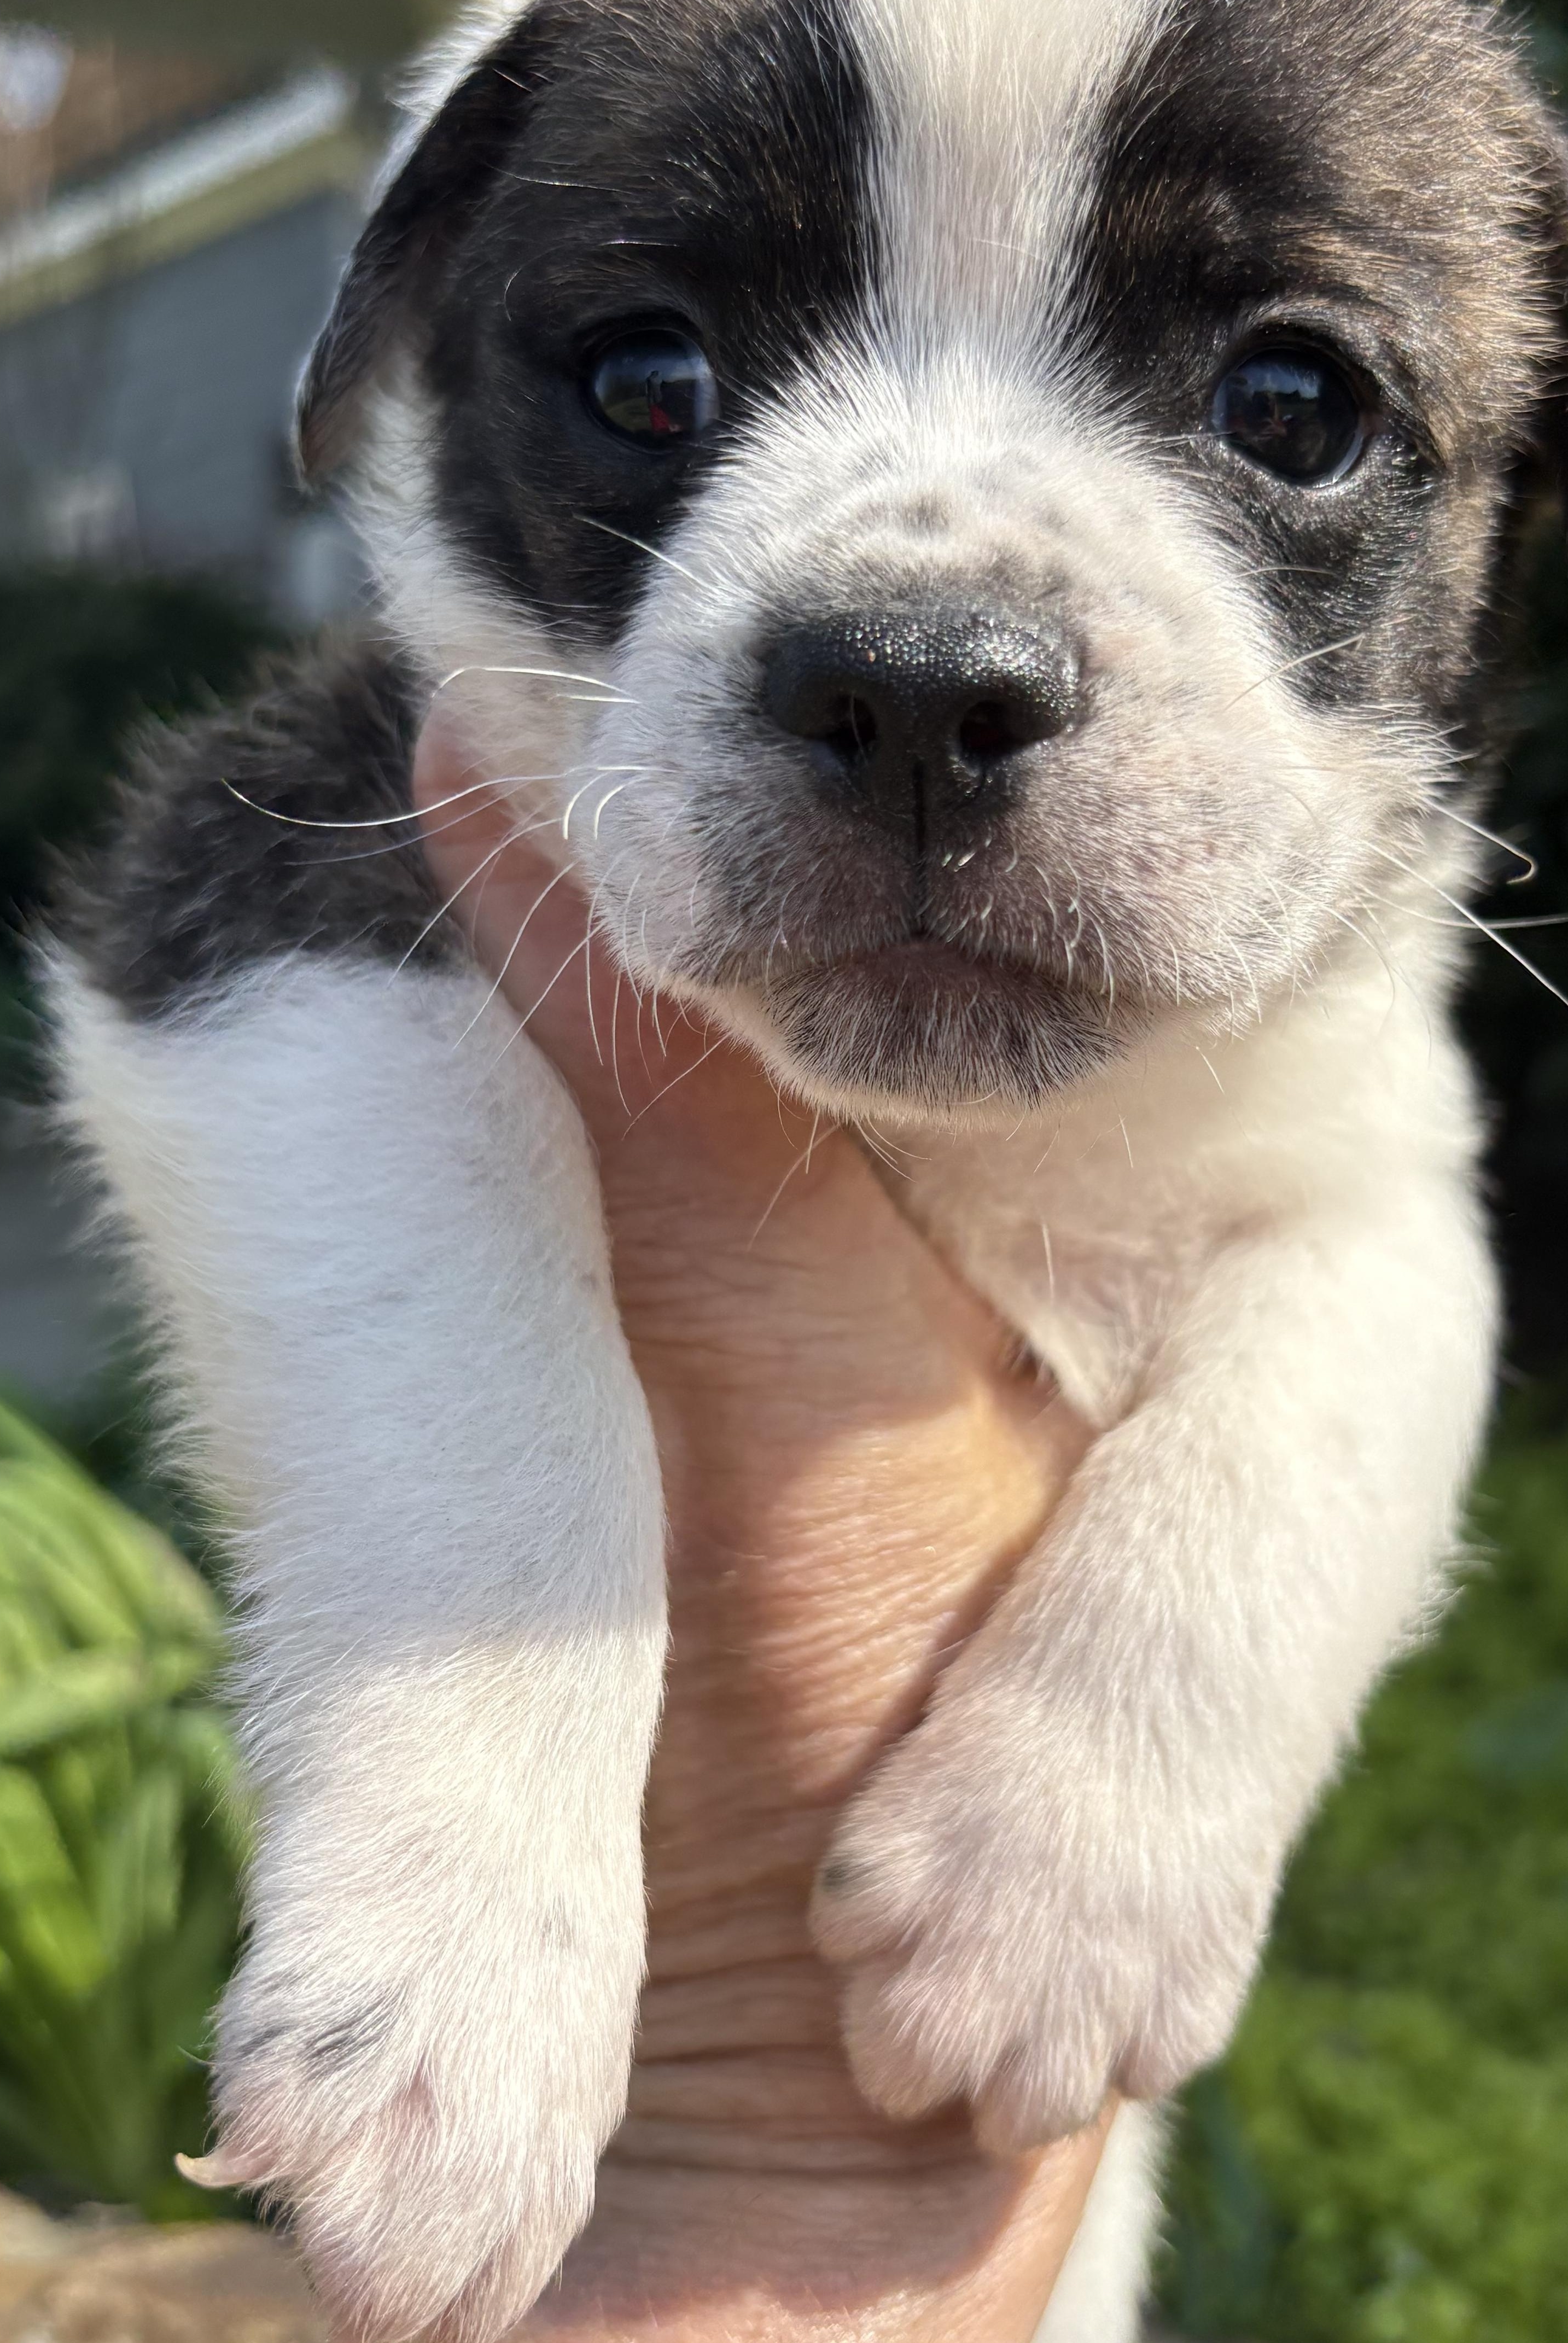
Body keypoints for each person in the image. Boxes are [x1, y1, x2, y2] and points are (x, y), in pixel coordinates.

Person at [413, 718, 1118, 2340]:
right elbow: (209, 957)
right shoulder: (420, 807)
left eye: (1283, 443)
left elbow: (1357, 1259)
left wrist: (1128, 1735)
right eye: (659, 435)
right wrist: (469, 1741)